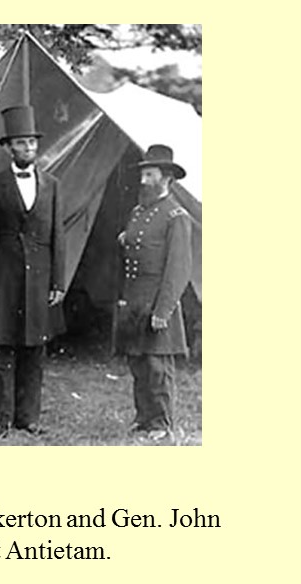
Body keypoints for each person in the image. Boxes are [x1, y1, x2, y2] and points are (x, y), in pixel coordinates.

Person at [0, 105, 66, 436]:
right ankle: (1, 420)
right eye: (21, 143)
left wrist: (59, 281)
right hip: (6, 276)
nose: (28, 149)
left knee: (35, 349)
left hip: (41, 278)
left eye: (32, 143)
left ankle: (28, 418)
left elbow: (59, 235)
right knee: (5, 347)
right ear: (8, 148)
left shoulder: (53, 184)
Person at [116, 144, 192, 442]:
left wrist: (164, 310)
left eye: (150, 174)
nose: (144, 180)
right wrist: (126, 238)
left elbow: (178, 269)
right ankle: (144, 418)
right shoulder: (138, 212)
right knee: (137, 362)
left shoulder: (177, 216)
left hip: (158, 300)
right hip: (134, 299)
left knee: (158, 366)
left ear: (167, 178)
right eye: (143, 174)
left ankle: (162, 423)